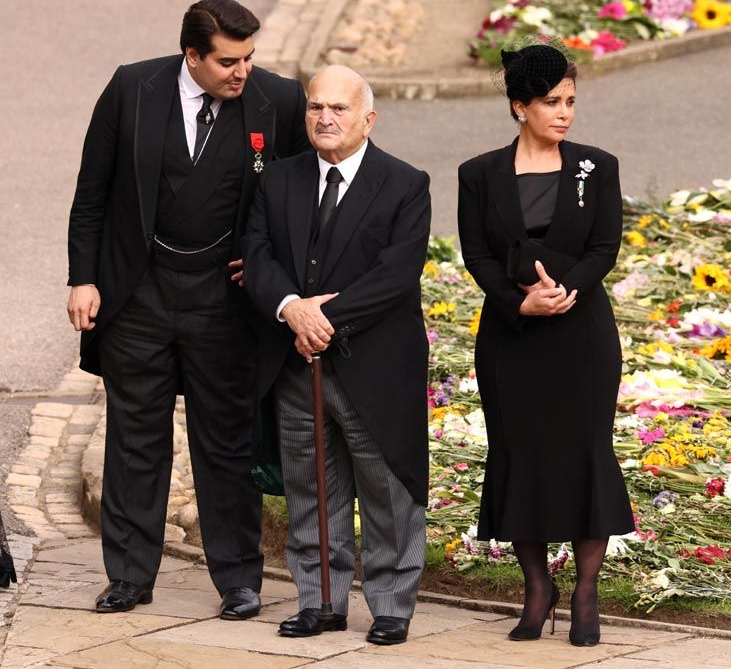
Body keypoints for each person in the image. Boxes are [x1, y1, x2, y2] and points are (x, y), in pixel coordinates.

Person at [66, 0, 309, 620]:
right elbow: (92, 189)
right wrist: (84, 278)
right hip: (138, 292)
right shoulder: (132, 88)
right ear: (191, 55)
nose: (242, 72)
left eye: (250, 58)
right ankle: (128, 576)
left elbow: (296, 200)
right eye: (228, 61)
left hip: (224, 302)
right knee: (134, 441)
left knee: (225, 443)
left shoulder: (277, 101)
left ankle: (239, 580)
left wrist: (266, 267)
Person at [243, 65, 431, 646]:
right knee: (310, 488)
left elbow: (396, 274)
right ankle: (320, 600)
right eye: (315, 107)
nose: (324, 118)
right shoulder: (277, 179)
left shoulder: (405, 183)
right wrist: (291, 307)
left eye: (339, 108)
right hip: (297, 366)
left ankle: (391, 604)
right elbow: (256, 254)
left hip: (375, 367)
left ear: (367, 118)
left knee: (386, 490)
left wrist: (323, 317)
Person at [457, 42, 634, 647]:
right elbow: (477, 255)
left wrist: (566, 292)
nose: (565, 113)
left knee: (586, 455)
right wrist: (519, 303)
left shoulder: (596, 165)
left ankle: (585, 592)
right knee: (518, 457)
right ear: (519, 107)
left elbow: (604, 248)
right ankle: (538, 589)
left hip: (581, 338)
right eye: (551, 102)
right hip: (512, 337)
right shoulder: (478, 174)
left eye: (571, 102)